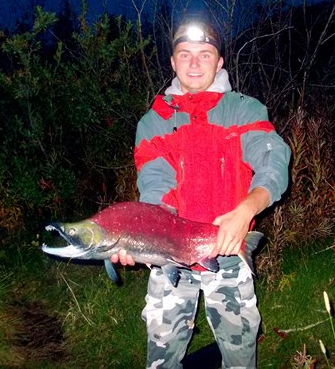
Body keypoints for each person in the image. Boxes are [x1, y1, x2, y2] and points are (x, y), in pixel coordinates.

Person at [111, 19, 291, 368]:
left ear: (220, 62)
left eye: (205, 54)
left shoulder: (243, 108)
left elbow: (273, 157)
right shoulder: (154, 121)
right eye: (185, 54)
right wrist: (138, 240)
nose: (194, 64)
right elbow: (156, 187)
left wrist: (246, 211)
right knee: (162, 360)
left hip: (228, 251)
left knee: (240, 358)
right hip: (168, 257)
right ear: (173, 63)